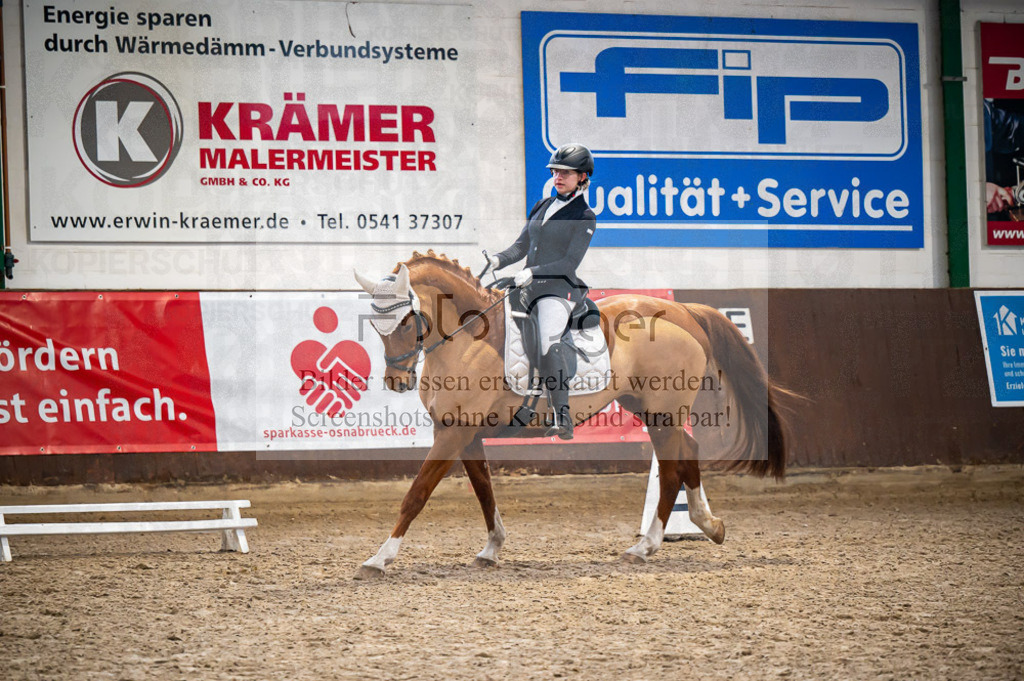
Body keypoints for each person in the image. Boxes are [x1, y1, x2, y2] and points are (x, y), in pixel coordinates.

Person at [488, 143, 597, 440]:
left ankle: (562, 415)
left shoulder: (585, 217)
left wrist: (531, 272)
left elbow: (568, 263)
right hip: (527, 284)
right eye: (555, 171)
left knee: (549, 338)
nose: (558, 176)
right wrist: (498, 259)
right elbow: (521, 246)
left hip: (557, 291)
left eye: (565, 173)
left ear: (583, 177)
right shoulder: (542, 205)